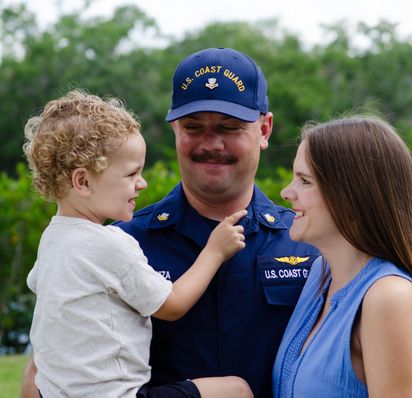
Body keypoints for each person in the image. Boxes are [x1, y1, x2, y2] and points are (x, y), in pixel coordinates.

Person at [22, 47, 319, 398]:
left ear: (264, 129)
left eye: (230, 127)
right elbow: (44, 370)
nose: (211, 144)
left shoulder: (309, 242)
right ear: (175, 127)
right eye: (194, 127)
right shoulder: (121, 239)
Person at [22, 89, 253, 397]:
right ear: (83, 182)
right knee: (236, 390)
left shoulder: (52, 239)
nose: (141, 183)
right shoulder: (108, 244)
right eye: (131, 174)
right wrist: (214, 250)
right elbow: (172, 305)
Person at [272, 115, 412, 398]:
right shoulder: (320, 274)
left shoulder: (390, 298)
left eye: (304, 181)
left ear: (352, 197)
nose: (286, 192)